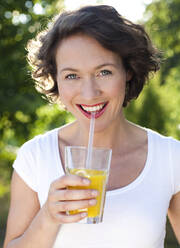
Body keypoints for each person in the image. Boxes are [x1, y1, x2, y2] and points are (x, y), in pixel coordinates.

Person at [3, 4, 180, 248]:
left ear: (127, 70)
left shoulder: (171, 158)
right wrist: (47, 218)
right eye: (72, 76)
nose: (89, 93)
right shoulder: (35, 157)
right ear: (56, 79)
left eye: (104, 72)